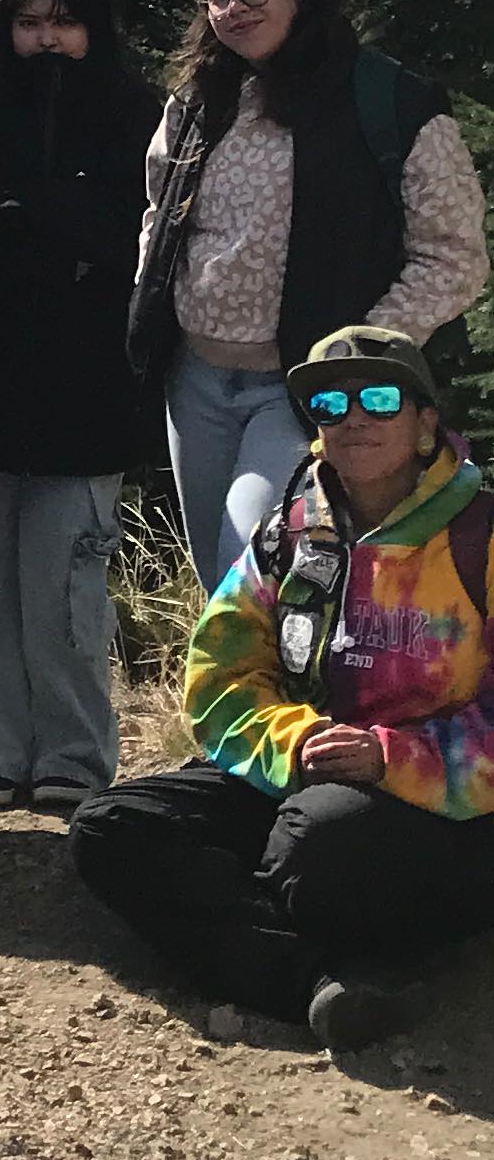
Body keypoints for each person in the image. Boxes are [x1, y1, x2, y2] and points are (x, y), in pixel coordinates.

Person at [71, 325, 494, 1051]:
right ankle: (316, 987)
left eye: (380, 399)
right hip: (306, 775)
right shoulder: (292, 533)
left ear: (426, 422)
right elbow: (221, 677)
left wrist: (389, 757)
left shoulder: (480, 535)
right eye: (331, 404)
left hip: (447, 804)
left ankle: (291, 915)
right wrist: (295, 742)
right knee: (112, 828)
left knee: (312, 851)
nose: (353, 418)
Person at [131, 0, 488, 589]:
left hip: (306, 389)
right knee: (223, 585)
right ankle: (239, 696)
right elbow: (160, 217)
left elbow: (453, 257)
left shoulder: (390, 102)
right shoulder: (200, 101)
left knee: (252, 562)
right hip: (195, 381)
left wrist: (358, 356)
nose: (233, 7)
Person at [0, 0, 161, 815]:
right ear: (4, 26)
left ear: (94, 27)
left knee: (66, 586)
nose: (47, 40)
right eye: (29, 22)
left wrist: (18, 217)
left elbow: (134, 242)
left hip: (86, 386)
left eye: (64, 21)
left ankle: (72, 755)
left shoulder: (140, 115)